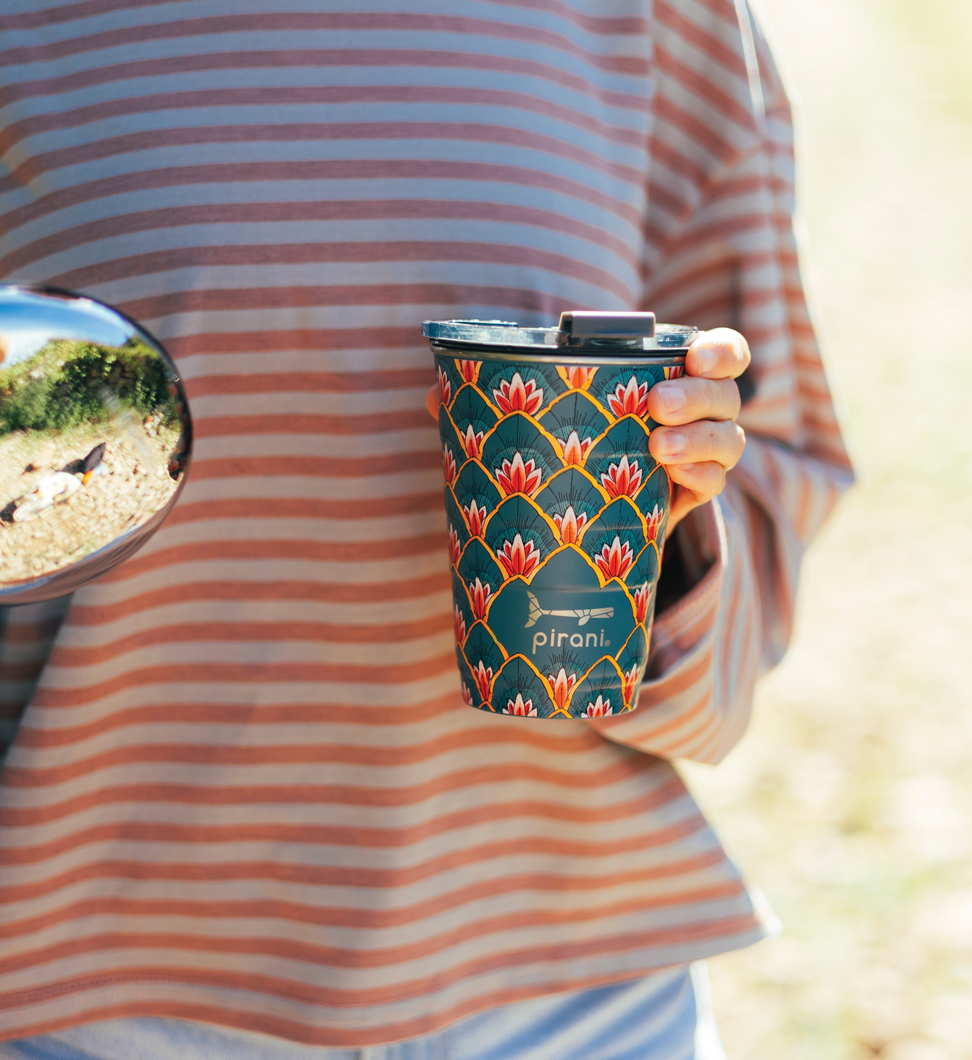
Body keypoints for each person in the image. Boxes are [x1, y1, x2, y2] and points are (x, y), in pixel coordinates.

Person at [0, 1, 852, 1057]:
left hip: (571, 984)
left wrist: (668, 535)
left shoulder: (655, 17)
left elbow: (775, 464)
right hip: (94, 995)